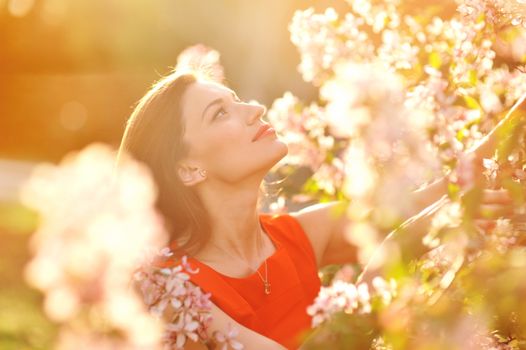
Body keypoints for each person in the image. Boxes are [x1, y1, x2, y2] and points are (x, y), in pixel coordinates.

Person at [117, 69, 516, 349]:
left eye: (236, 100)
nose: (254, 109)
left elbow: (440, 194)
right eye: (220, 113)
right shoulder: (169, 290)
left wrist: (518, 120)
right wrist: (399, 247)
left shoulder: (296, 235)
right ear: (188, 168)